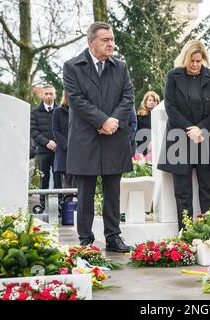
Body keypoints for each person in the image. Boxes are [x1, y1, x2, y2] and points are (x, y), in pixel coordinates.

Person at [63, 21, 134, 252]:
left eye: (112, 39)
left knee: (113, 192)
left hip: (114, 137)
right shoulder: (73, 66)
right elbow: (76, 99)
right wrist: (102, 120)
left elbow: (128, 97)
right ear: (91, 41)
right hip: (86, 139)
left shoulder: (120, 67)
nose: (110, 44)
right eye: (105, 40)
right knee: (85, 193)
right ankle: (85, 239)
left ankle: (113, 237)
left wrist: (113, 121)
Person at [157, 40, 210, 231]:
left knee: (209, 189)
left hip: (206, 137)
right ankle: (185, 233)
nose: (195, 65)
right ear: (185, 58)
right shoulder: (174, 76)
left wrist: (200, 129)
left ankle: (209, 231)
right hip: (180, 137)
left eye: (199, 60)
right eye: (192, 61)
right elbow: (170, 106)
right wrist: (190, 129)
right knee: (183, 191)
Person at [30, 84, 62, 209]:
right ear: (42, 95)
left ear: (55, 95)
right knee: (44, 178)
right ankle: (43, 205)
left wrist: (56, 142)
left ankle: (60, 204)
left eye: (51, 93)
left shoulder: (61, 111)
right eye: (46, 93)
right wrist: (47, 142)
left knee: (58, 178)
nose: (48, 96)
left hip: (58, 151)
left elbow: (65, 129)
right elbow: (33, 131)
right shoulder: (35, 112)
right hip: (43, 151)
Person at [52, 91, 73, 189]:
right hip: (64, 151)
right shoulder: (58, 111)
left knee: (80, 181)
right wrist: (67, 146)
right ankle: (68, 204)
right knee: (67, 180)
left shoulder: (80, 111)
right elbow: (56, 131)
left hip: (80, 150)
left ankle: (80, 204)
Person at [136, 91, 160, 155]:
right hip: (142, 147)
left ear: (157, 103)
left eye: (154, 101)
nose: (152, 102)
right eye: (149, 100)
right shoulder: (139, 116)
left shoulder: (160, 117)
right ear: (145, 101)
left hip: (156, 146)